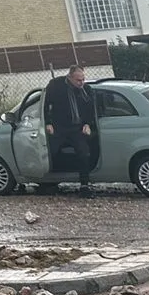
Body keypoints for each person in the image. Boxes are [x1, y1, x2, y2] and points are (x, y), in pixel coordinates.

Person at [43, 65, 98, 197]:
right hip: (59, 127)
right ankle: (47, 182)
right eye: (78, 80)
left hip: (76, 128)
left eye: (83, 79)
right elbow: (46, 105)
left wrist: (87, 124)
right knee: (49, 151)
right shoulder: (56, 86)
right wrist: (48, 123)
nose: (82, 83)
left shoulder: (86, 90)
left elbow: (91, 109)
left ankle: (84, 185)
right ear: (70, 77)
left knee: (83, 152)